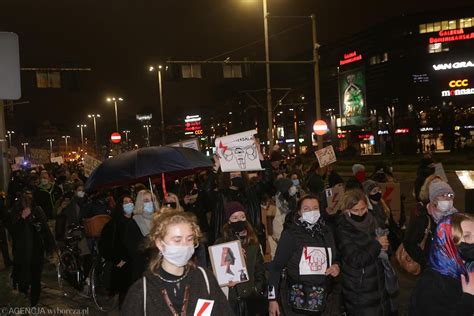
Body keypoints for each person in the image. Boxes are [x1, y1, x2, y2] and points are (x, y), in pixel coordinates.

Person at [121, 210, 233, 315]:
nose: (185, 245)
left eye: (190, 239)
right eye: (177, 240)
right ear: (160, 244)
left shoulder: (205, 279)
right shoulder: (142, 291)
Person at [268, 194, 340, 316]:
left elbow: (335, 257)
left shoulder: (327, 232)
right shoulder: (290, 235)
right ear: (299, 212)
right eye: (306, 209)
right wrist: (272, 299)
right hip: (297, 300)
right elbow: (276, 267)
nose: (312, 212)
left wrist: (336, 266)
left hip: (324, 299)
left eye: (315, 208)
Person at [336, 189, 390, 315]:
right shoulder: (343, 229)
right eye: (355, 210)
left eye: (363, 209)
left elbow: (385, 245)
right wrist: (377, 245)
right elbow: (356, 260)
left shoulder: (373, 220)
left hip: (379, 284)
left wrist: (386, 248)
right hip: (359, 290)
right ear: (347, 210)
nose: (360, 214)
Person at [410, 213, 474, 315]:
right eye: (467, 236)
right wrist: (469, 298)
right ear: (447, 242)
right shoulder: (431, 284)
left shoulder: (469, 268)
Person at [214, 201, 266, 316]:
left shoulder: (253, 242)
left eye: (242, 217)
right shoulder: (221, 243)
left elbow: (260, 269)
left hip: (250, 298)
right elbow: (216, 271)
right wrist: (225, 281)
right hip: (230, 298)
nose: (239, 220)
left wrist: (256, 289)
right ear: (228, 220)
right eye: (235, 218)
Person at [9, 192, 55, 306]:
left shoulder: (38, 210)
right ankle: (23, 301)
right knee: (23, 279)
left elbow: (45, 229)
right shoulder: (16, 212)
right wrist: (22, 218)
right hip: (21, 252)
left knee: (35, 279)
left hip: (36, 250)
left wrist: (50, 246)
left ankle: (34, 303)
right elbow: (13, 231)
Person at [403, 181, 456, 269]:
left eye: (450, 195)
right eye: (442, 195)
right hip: (432, 267)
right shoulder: (422, 218)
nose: (447, 198)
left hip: (450, 265)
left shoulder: (454, 216)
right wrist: (427, 261)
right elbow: (409, 243)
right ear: (434, 199)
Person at [99, 194, 134, 307]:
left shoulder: (136, 221)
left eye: (131, 201)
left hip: (133, 261)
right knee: (124, 295)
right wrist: (117, 260)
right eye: (126, 202)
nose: (129, 204)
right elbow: (105, 245)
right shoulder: (113, 224)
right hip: (120, 264)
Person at [124, 189, 160, 284]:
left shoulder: (159, 220)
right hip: (142, 266)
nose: (150, 203)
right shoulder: (134, 222)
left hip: (159, 264)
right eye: (146, 201)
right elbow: (131, 247)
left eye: (152, 200)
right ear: (140, 203)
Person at [272, 178, 298, 244]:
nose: (293, 188)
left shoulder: (291, 199)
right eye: (291, 186)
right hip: (284, 237)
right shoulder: (279, 202)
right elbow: (278, 227)